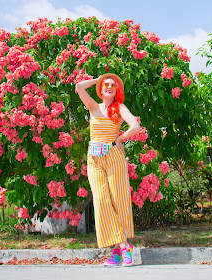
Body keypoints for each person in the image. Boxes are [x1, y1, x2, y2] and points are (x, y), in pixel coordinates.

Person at [76, 73, 140, 266]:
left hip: (113, 157)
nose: (110, 87)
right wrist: (98, 79)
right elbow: (79, 87)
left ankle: (119, 249)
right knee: (101, 199)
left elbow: (136, 126)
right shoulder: (93, 106)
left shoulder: (119, 107)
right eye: (106, 84)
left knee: (118, 200)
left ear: (117, 90)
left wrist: (120, 138)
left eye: (113, 85)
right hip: (94, 158)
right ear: (101, 89)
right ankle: (124, 246)